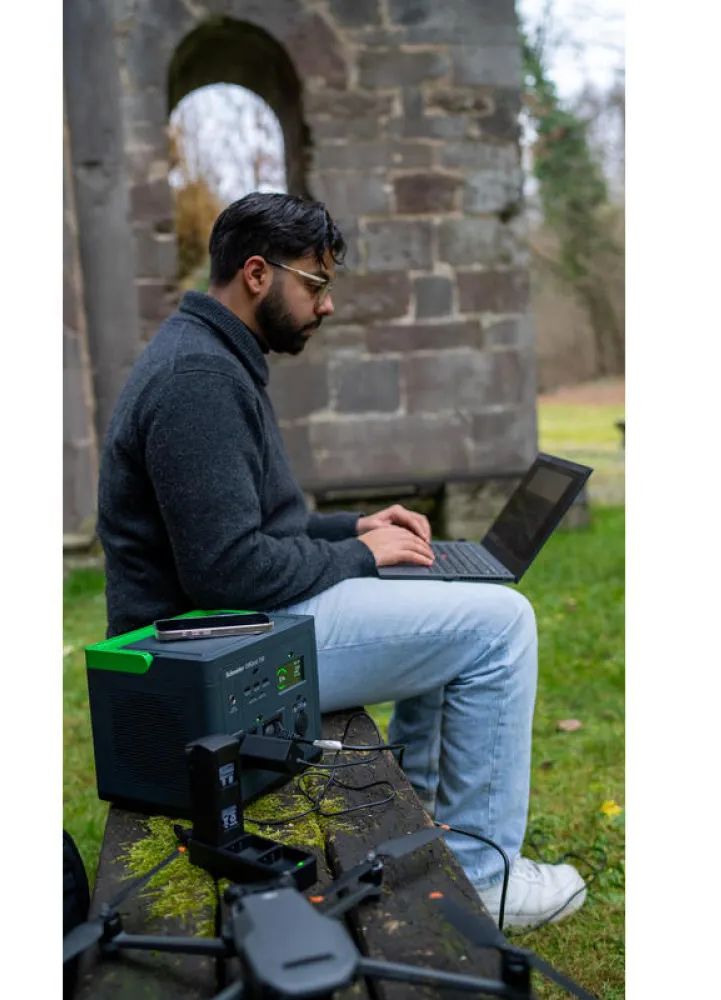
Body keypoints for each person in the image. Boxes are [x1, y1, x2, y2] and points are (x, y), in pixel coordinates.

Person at [96, 192, 587, 929]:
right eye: (316, 284)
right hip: (200, 665)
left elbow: (260, 524)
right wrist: (359, 555)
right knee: (501, 626)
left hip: (224, 633)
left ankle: (426, 816)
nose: (326, 306)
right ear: (257, 274)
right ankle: (487, 882)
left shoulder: (208, 355)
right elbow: (228, 571)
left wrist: (356, 527)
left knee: (444, 596)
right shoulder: (198, 379)